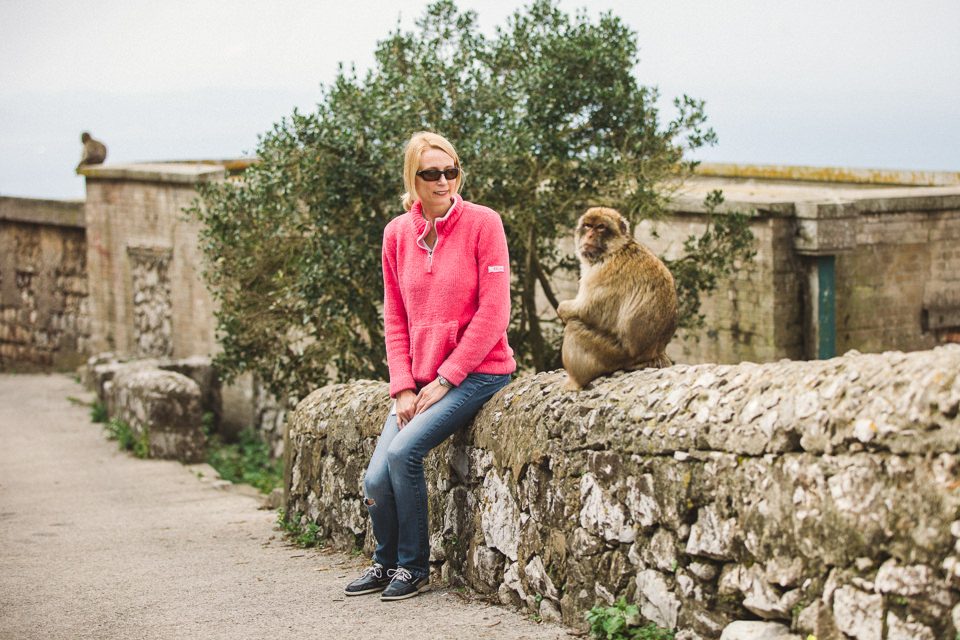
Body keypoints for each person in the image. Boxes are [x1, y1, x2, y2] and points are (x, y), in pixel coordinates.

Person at [344, 131, 516, 601]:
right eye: (431, 173)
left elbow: (494, 314)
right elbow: (395, 316)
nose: (444, 181)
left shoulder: (485, 224)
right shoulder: (396, 234)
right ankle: (384, 563)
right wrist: (402, 385)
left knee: (405, 453)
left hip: (480, 372)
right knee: (376, 478)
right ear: (413, 179)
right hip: (419, 380)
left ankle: (413, 568)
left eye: (451, 171)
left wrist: (446, 377)